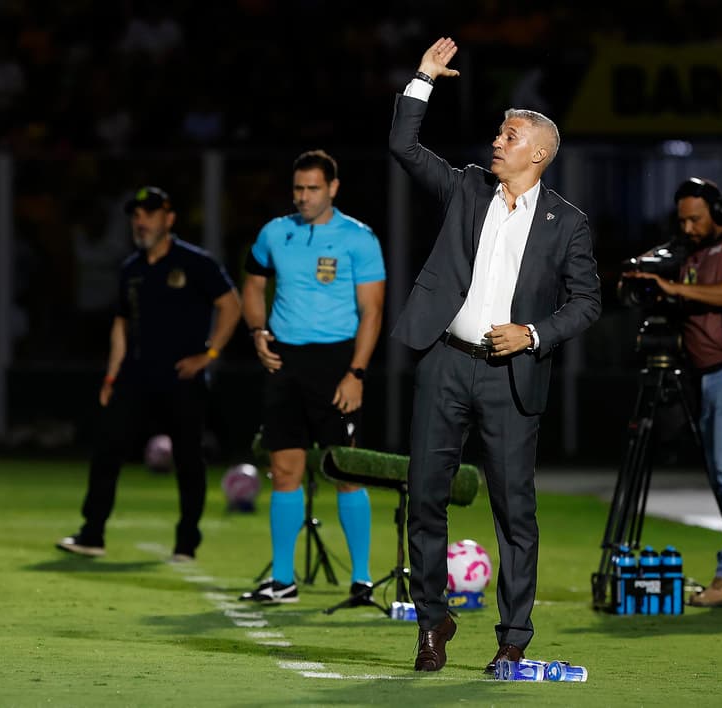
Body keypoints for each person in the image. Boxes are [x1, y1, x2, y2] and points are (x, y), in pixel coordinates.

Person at [389, 37, 602, 672]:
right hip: (445, 361)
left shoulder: (568, 222)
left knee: (514, 512)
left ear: (539, 154)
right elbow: (403, 146)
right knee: (425, 498)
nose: (496, 142)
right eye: (499, 133)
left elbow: (587, 303)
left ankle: (513, 637)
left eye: (510, 136)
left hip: (511, 376)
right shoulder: (466, 188)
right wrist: (424, 78)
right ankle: (432, 623)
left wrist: (532, 334)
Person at [57, 186, 242, 561]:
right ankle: (92, 534)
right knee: (107, 449)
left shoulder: (196, 262)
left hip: (182, 378)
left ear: (169, 219)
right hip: (136, 376)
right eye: (136, 215)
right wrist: (111, 377)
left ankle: (186, 542)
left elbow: (231, 305)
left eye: (150, 214)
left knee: (188, 460)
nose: (141, 222)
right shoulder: (131, 269)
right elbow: (121, 325)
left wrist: (208, 355)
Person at [623, 177, 722, 608]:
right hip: (710, 372)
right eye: (682, 221)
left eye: (696, 219)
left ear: (718, 212)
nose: (688, 228)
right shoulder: (688, 253)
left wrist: (673, 288)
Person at [238, 150, 386, 605]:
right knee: (285, 469)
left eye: (313, 188)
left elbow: (372, 311)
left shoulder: (358, 238)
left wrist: (356, 373)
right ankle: (283, 580)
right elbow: (252, 284)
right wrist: (257, 332)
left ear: (333, 188)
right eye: (298, 188)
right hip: (284, 362)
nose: (303, 197)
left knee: (346, 469)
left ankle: (361, 581)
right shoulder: (274, 233)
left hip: (336, 362)